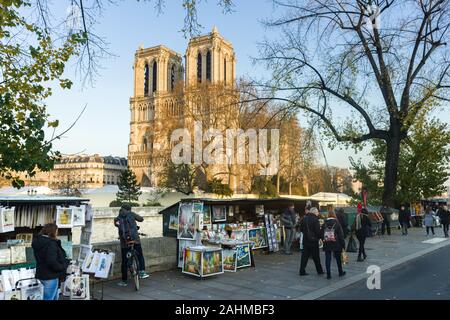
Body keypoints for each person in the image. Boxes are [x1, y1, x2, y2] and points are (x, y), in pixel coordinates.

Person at [114, 204, 149, 286]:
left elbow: (117, 225)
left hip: (124, 242)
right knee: (140, 255)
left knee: (124, 262)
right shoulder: (132, 214)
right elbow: (141, 219)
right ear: (129, 210)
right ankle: (142, 272)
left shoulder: (116, 219)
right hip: (135, 240)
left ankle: (124, 281)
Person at [32, 223, 69, 300]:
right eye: (56, 231)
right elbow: (51, 261)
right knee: (48, 298)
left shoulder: (39, 241)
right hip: (50, 276)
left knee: (52, 297)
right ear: (53, 232)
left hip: (42, 274)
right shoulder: (50, 244)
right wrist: (62, 267)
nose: (57, 233)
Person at [299, 207, 324, 276]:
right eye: (317, 212)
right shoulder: (315, 220)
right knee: (316, 257)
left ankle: (302, 270)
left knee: (304, 257)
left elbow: (301, 229)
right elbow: (317, 231)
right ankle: (319, 271)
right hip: (313, 241)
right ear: (315, 212)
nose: (318, 213)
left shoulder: (304, 218)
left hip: (305, 240)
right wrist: (321, 237)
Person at [321, 211, 346, 279]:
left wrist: (323, 239)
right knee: (338, 258)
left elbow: (321, 233)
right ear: (334, 215)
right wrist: (343, 245)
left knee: (327, 258)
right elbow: (341, 235)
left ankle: (328, 274)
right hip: (336, 243)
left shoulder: (324, 223)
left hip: (327, 243)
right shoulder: (337, 223)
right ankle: (340, 272)